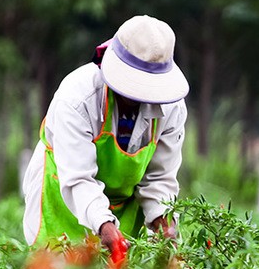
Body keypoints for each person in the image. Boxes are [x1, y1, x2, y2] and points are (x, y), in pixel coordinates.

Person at [22, 15, 189, 254]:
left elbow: (159, 179)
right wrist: (104, 226)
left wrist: (165, 224)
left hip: (123, 206)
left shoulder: (171, 107)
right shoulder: (78, 98)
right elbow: (78, 179)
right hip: (62, 196)